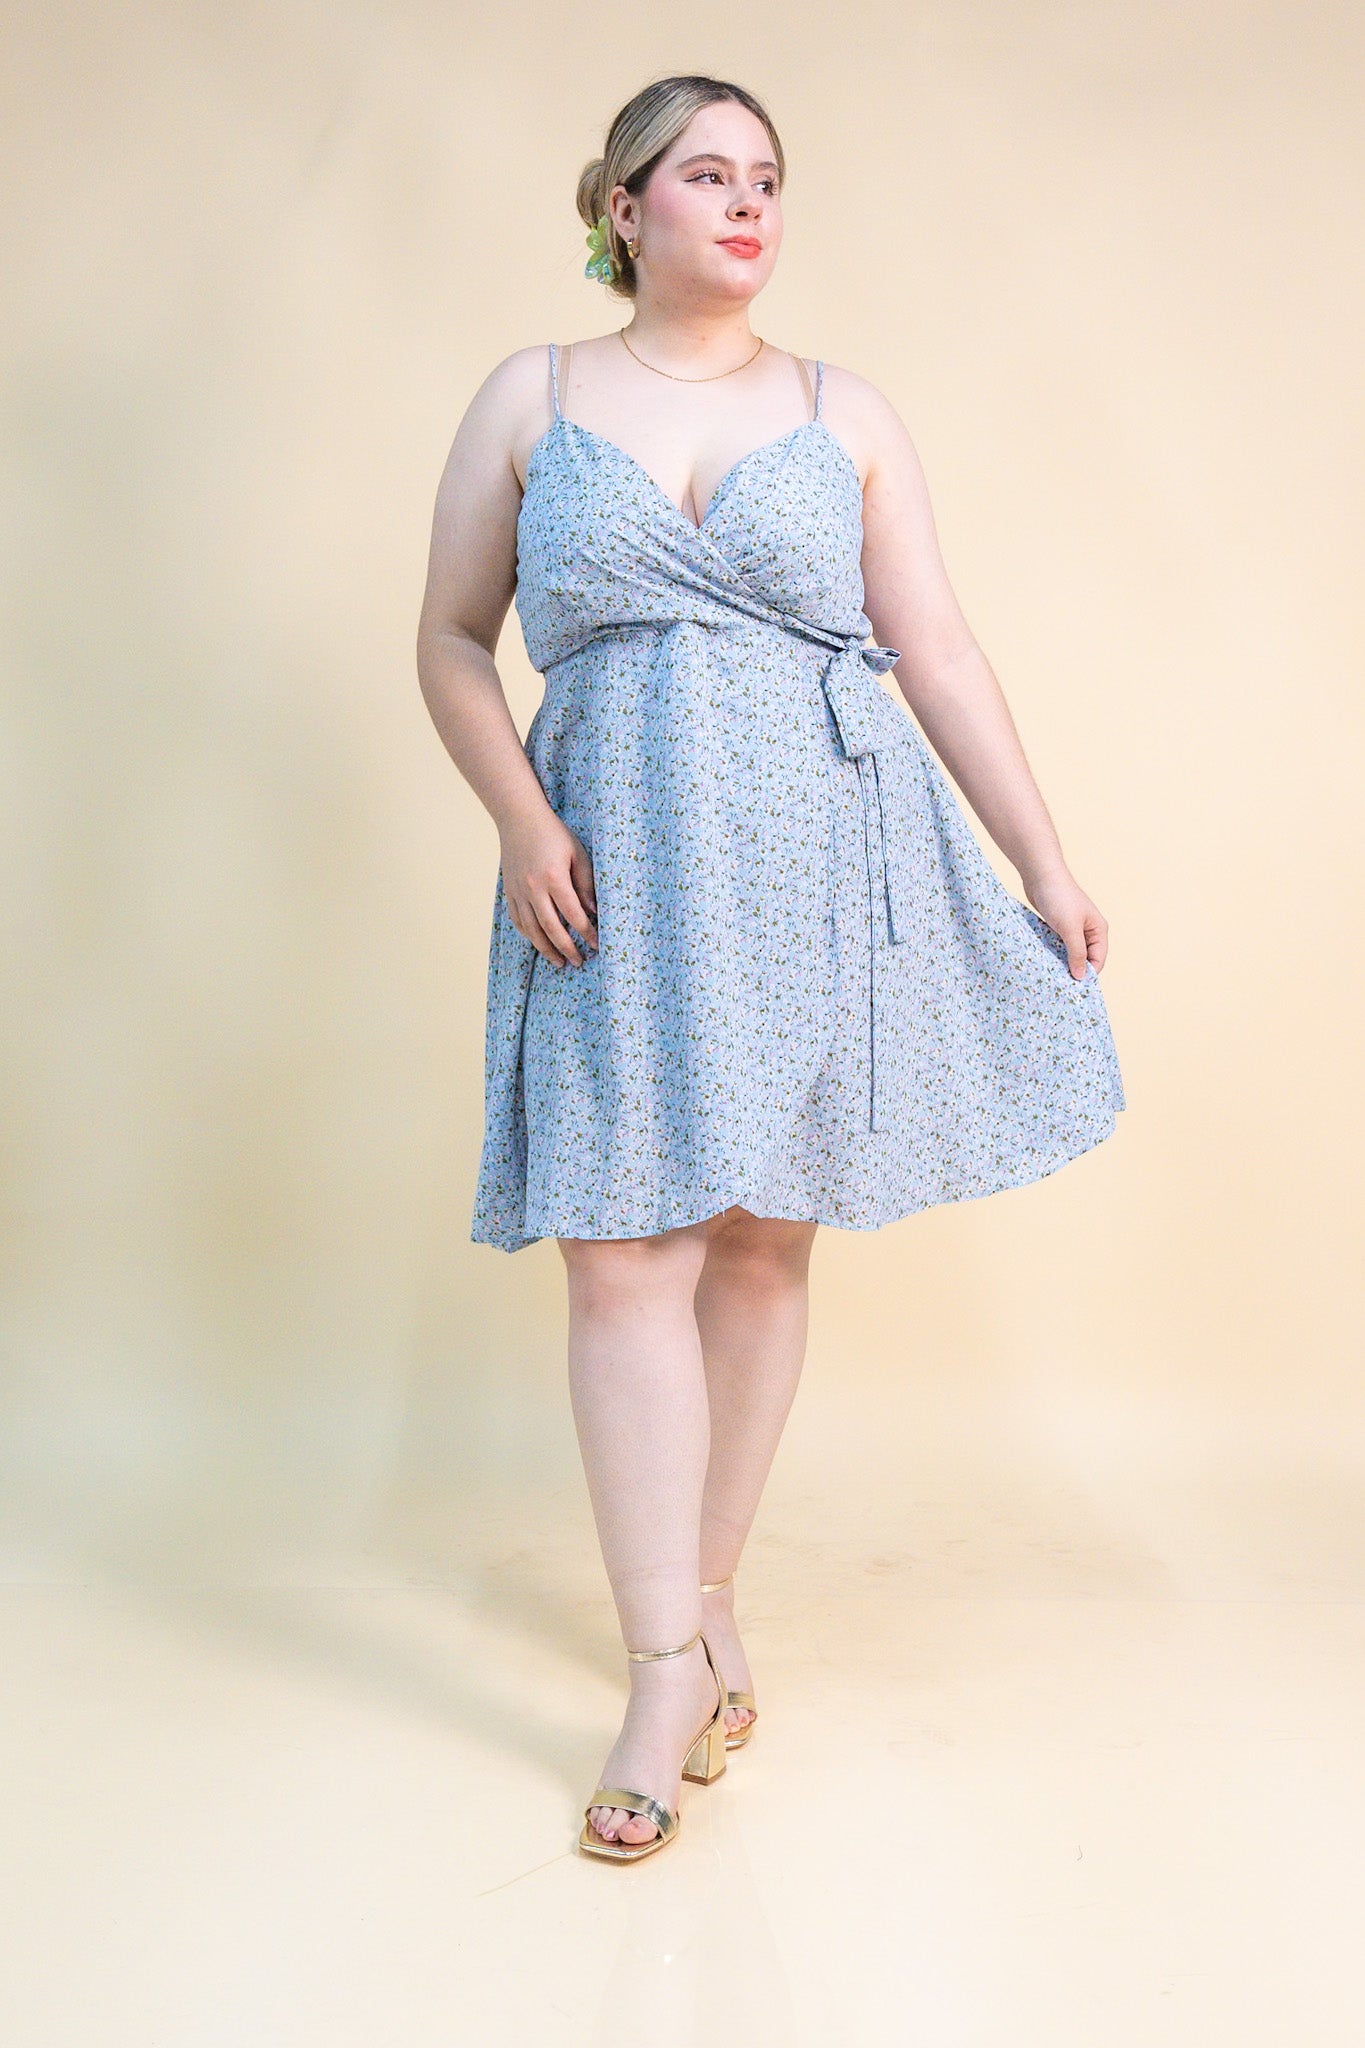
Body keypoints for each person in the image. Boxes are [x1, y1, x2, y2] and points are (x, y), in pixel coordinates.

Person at [415, 73, 1125, 1863]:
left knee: (755, 1242)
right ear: (622, 206)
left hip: (822, 859)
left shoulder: (840, 409)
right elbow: (448, 641)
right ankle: (660, 1668)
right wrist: (518, 820)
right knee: (620, 1254)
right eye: (706, 175)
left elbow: (934, 649)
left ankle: (708, 1592)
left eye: (767, 179)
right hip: (611, 867)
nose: (746, 205)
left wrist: (1042, 860)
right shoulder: (532, 396)